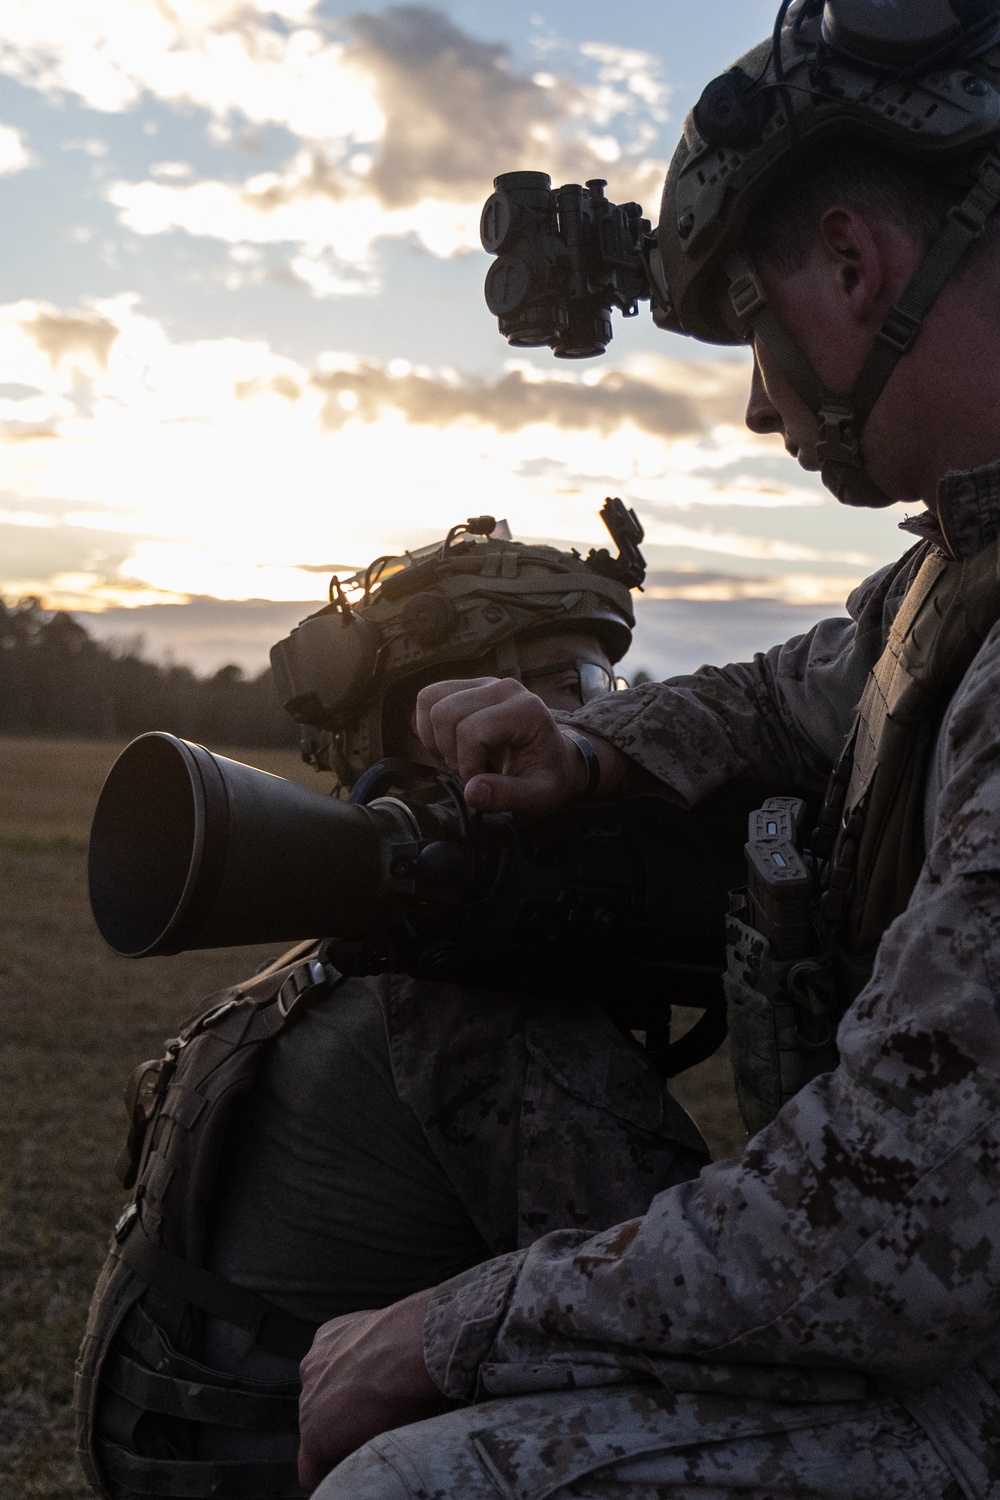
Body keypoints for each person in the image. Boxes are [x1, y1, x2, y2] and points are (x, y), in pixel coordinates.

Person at [299, 4, 1000, 1497]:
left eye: (753, 325)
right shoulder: (958, 570)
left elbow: (890, 1234)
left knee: (402, 1486)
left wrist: (444, 1331)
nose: (759, 403)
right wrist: (587, 752)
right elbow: (795, 687)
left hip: (957, 1349)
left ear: (856, 268)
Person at [76, 513, 722, 1500]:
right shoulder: (471, 1015)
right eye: (572, 684)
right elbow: (704, 1318)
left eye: (608, 684)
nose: (604, 717)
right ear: (442, 716)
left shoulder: (335, 958)